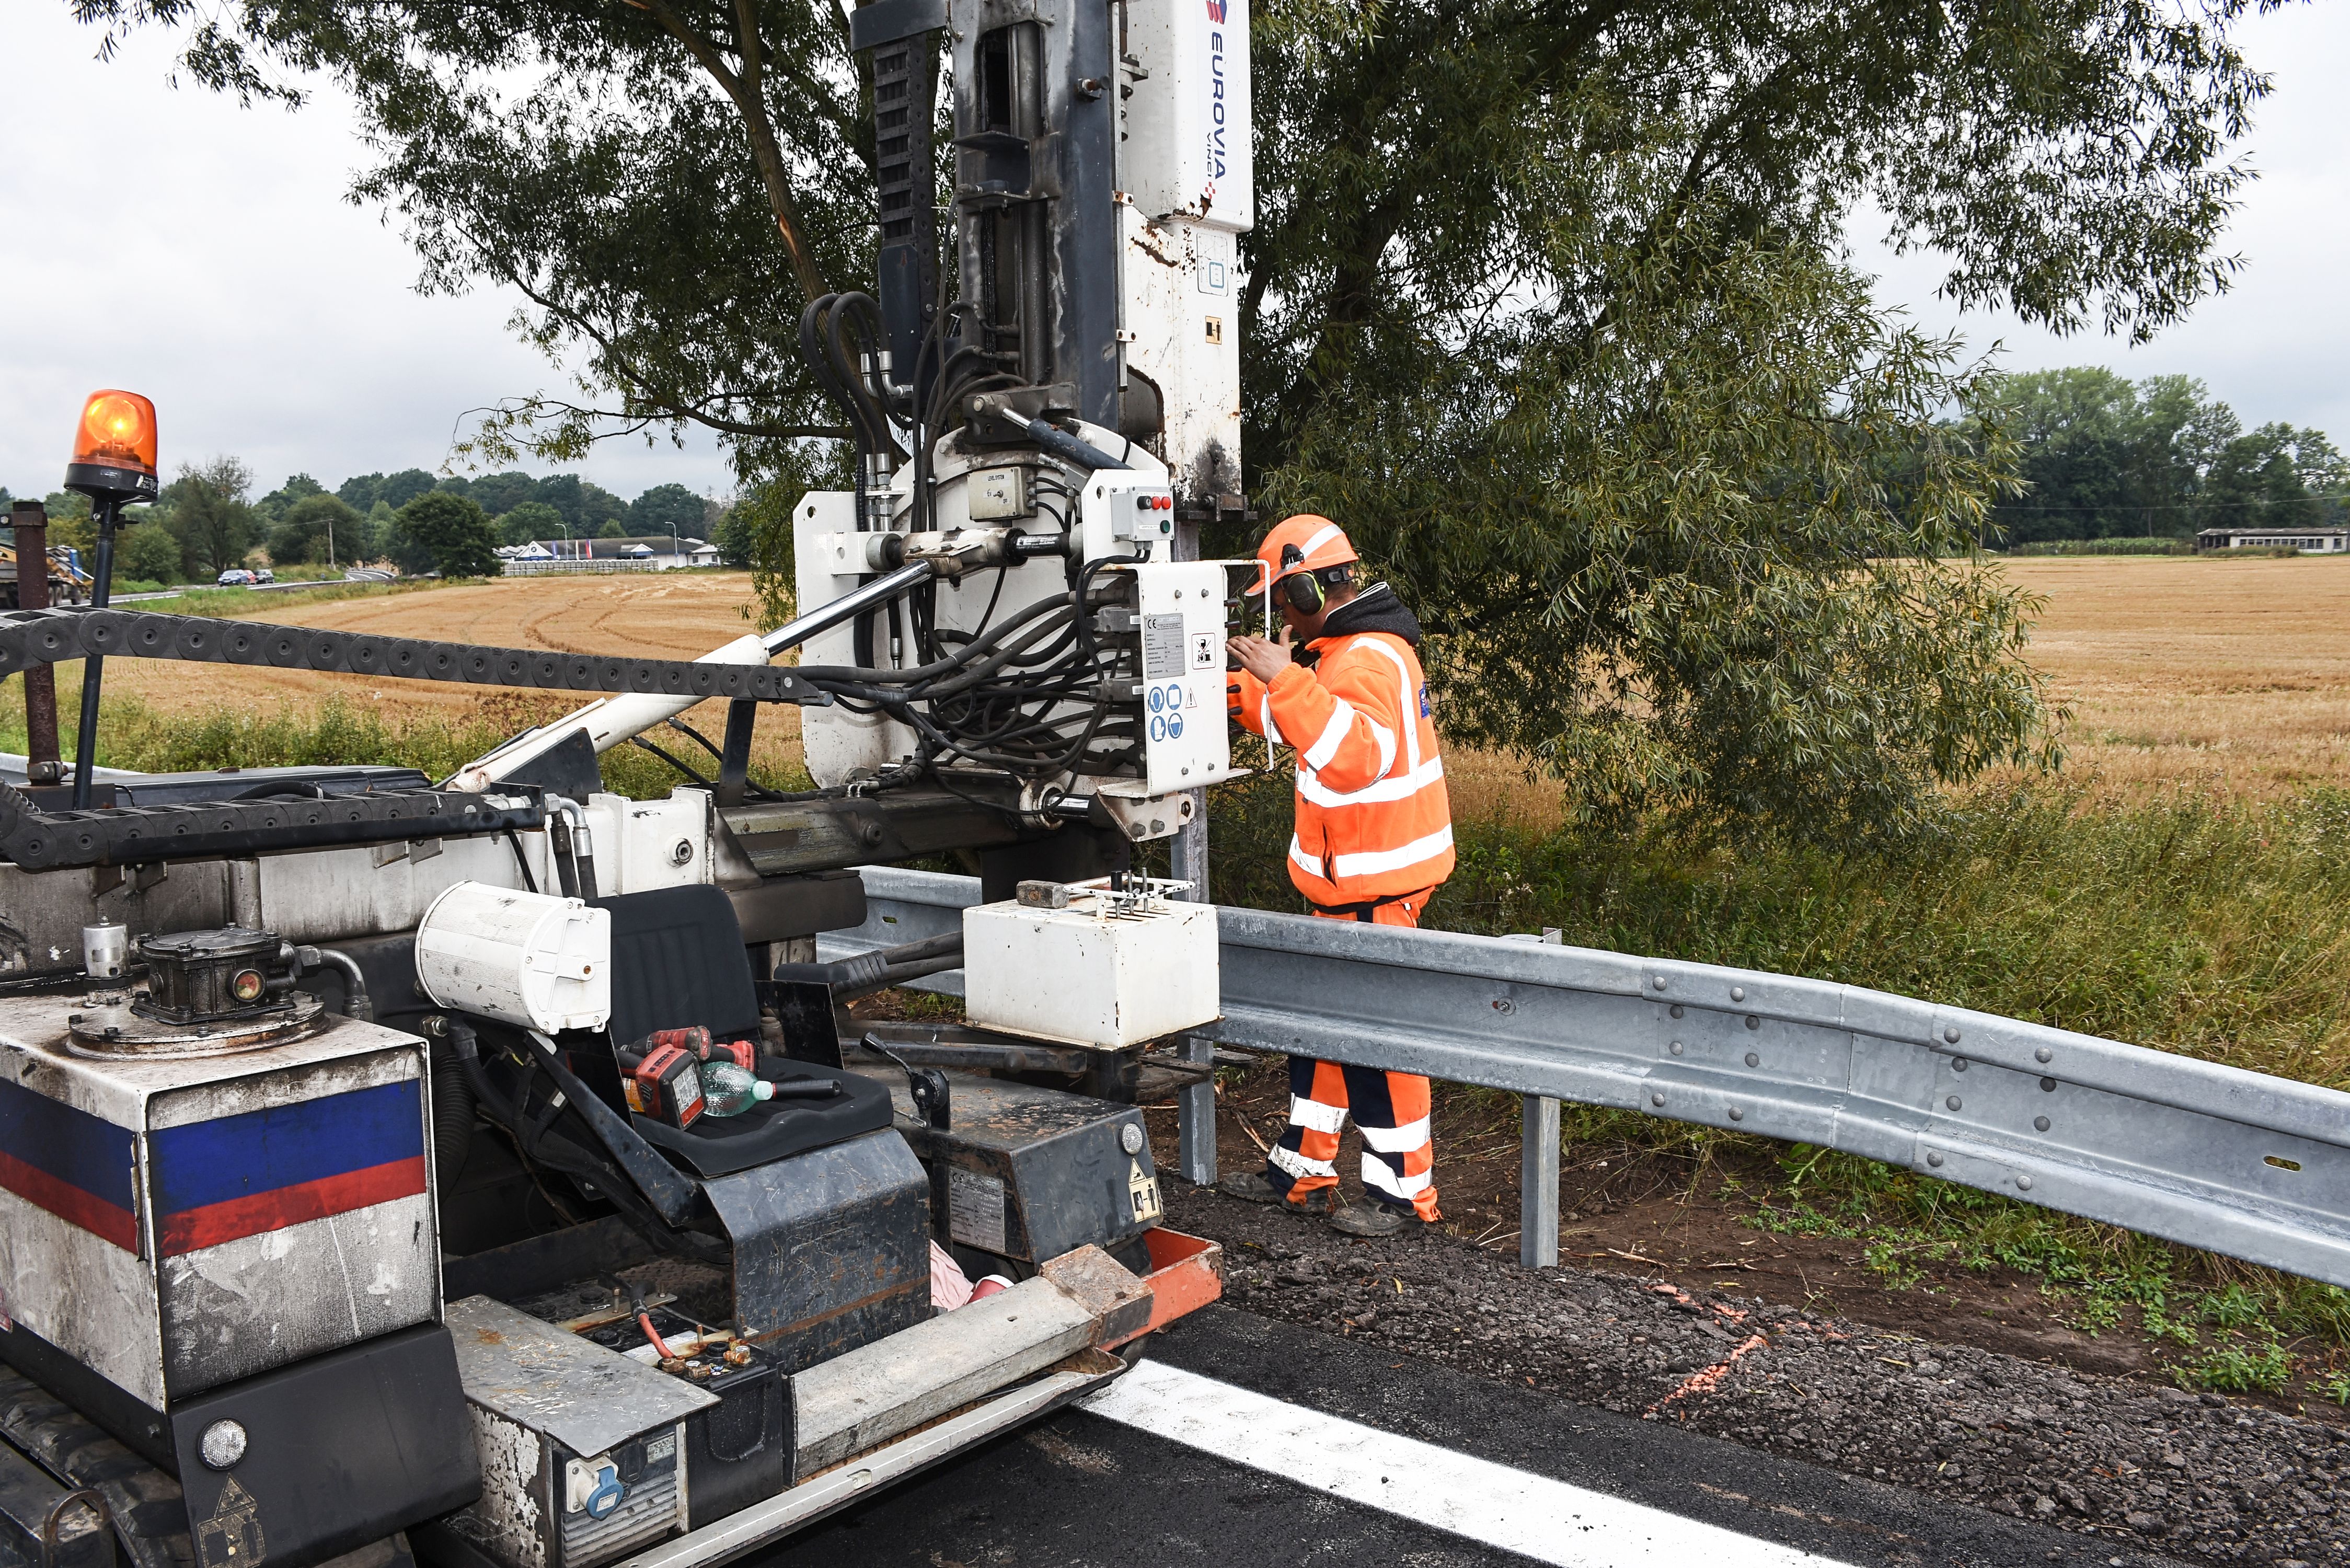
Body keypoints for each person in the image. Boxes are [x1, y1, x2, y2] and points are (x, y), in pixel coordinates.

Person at [1216, 514, 1455, 1237]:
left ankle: (1404, 1196)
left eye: (1284, 598)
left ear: (1312, 586)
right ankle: (1304, 1168)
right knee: (1319, 1033)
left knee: (1377, 1049)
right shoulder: (1342, 653)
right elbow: (1306, 718)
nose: (1281, 614)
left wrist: (1283, 678)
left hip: (1380, 888)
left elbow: (1351, 754)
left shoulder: (1368, 660)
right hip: (1348, 888)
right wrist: (1233, 691)